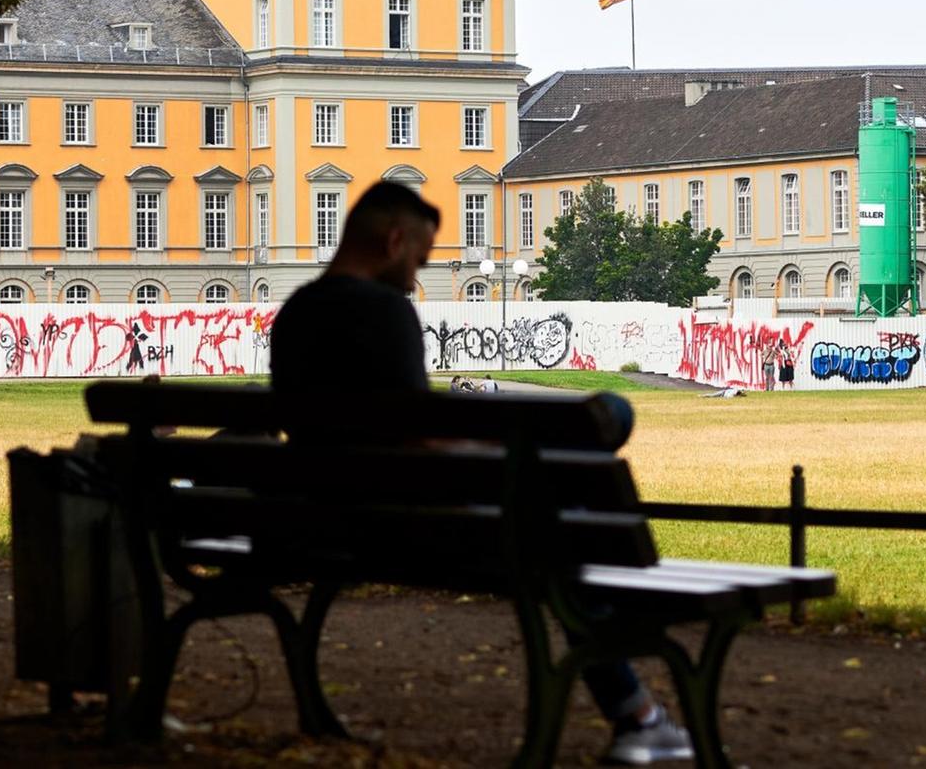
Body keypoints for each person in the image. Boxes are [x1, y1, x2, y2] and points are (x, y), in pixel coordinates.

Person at [269, 182, 693, 765]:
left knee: (561, 496)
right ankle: (637, 713)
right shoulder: (385, 310)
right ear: (394, 241)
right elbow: (418, 441)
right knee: (601, 431)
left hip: (325, 523)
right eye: (417, 259)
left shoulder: (296, 314)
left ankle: (637, 714)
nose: (417, 274)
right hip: (417, 529)